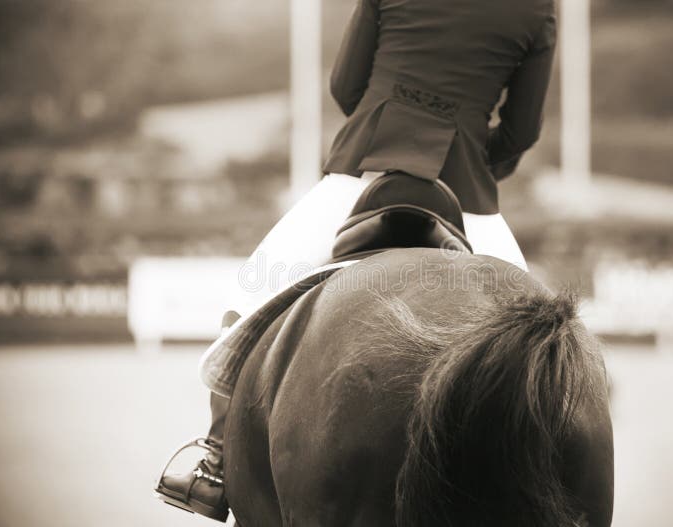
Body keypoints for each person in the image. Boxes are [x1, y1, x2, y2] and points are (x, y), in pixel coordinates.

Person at [155, 0, 556, 521]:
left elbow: (346, 85)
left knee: (251, 290)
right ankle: (545, 469)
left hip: (364, 170)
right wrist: (475, 155)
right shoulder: (537, 8)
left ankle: (213, 461)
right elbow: (523, 129)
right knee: (537, 336)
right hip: (470, 189)